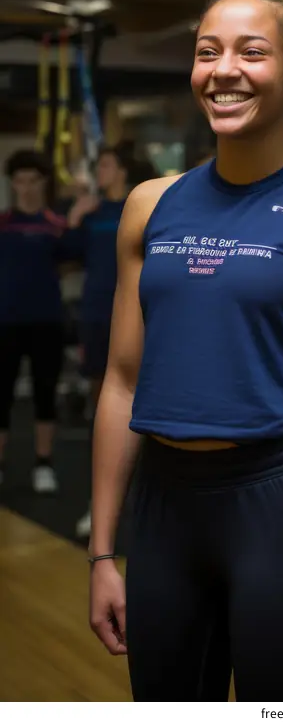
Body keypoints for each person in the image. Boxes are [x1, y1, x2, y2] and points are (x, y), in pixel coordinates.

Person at [87, 0, 283, 702]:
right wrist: (100, 552)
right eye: (208, 51)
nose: (224, 70)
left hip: (277, 503)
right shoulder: (149, 206)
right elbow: (122, 382)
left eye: (252, 52)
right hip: (163, 507)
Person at [67, 146, 130, 537]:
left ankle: (138, 502)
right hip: (95, 315)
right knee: (101, 408)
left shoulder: (139, 206)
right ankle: (100, 507)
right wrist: (75, 216)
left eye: (106, 164)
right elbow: (67, 254)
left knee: (137, 407)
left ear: (122, 170)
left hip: (134, 317)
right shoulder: (93, 211)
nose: (100, 171)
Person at [0, 150, 66, 493]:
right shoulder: (3, 224)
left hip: (46, 322)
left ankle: (44, 463)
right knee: (2, 395)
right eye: (20, 181)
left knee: (45, 393)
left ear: (43, 183)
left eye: (32, 181)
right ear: (12, 184)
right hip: (5, 322)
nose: (26, 188)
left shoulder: (57, 226)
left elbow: (75, 258)